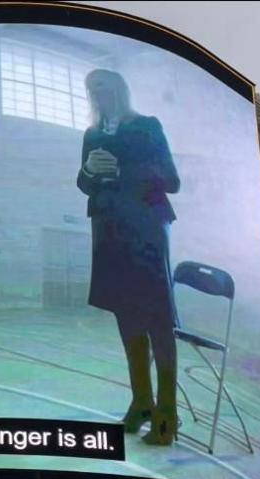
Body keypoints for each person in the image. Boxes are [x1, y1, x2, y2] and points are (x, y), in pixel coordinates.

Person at [77, 69, 181, 445]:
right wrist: (89, 170)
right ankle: (141, 402)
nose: (97, 95)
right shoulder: (91, 134)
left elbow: (171, 179)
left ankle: (167, 413)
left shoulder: (148, 126)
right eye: (92, 90)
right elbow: (83, 183)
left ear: (120, 89)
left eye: (103, 88)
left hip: (147, 227)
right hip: (108, 229)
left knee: (157, 317)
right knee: (126, 313)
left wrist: (122, 170)